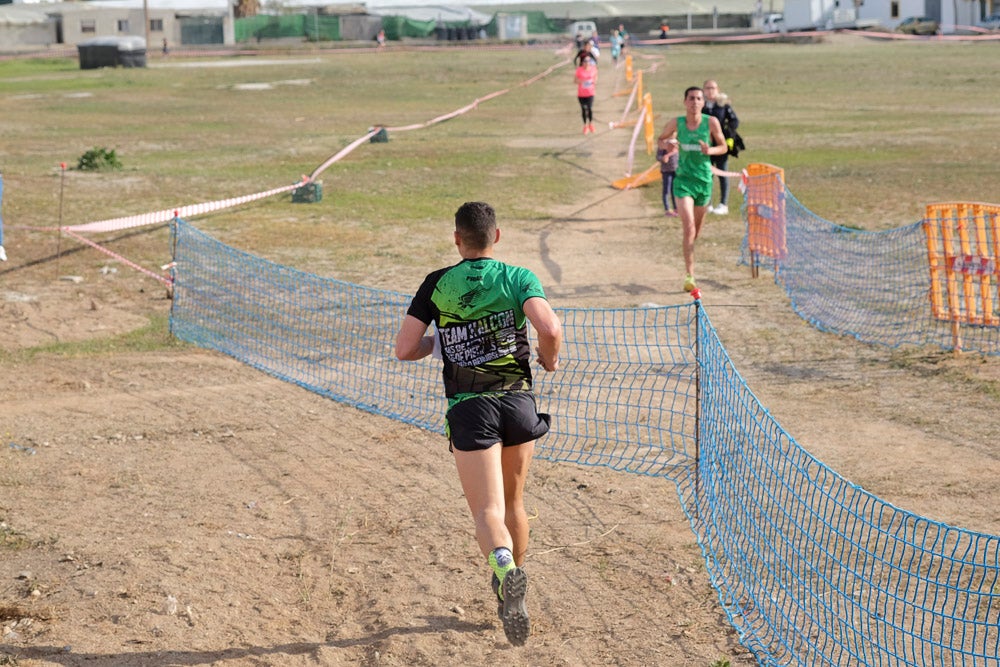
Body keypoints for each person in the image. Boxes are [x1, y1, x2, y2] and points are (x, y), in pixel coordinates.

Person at [394, 201, 562, 647]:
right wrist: (549, 357)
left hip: (470, 407)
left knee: (487, 512)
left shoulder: (437, 284)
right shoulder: (518, 277)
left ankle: (504, 569)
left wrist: (445, 343)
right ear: (497, 237)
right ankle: (513, 590)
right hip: (518, 401)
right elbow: (549, 326)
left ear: (456, 239)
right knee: (514, 505)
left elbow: (405, 348)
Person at [657, 86, 728, 293]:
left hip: (704, 181)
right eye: (691, 98)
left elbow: (723, 146)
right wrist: (667, 145)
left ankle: (688, 250)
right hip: (683, 181)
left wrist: (711, 150)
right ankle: (690, 275)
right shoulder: (677, 123)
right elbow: (661, 140)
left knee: (695, 231)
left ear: (703, 103)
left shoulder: (711, 123)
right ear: (685, 102)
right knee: (688, 227)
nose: (695, 102)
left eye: (698, 98)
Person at [701, 79, 740, 215]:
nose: (710, 91)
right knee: (707, 173)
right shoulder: (701, 105)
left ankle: (723, 204)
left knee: (722, 172)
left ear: (717, 89)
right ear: (704, 90)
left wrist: (728, 133)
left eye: (713, 88)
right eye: (707, 88)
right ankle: (708, 203)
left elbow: (734, 120)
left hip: (721, 144)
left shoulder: (723, 105)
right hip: (705, 145)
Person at [655, 137, 678, 217]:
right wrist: (662, 158)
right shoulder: (663, 145)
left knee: (675, 190)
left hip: (676, 171)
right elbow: (658, 156)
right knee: (666, 190)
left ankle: (676, 208)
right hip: (666, 171)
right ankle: (667, 209)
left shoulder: (678, 144)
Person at [574, 57, 598, 134]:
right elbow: (575, 81)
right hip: (581, 94)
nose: (587, 63)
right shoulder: (579, 70)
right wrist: (582, 81)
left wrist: (593, 81)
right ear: (582, 62)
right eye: (585, 61)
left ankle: (591, 124)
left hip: (590, 93)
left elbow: (595, 78)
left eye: (588, 61)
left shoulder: (593, 69)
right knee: (584, 110)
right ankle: (585, 126)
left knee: (590, 108)